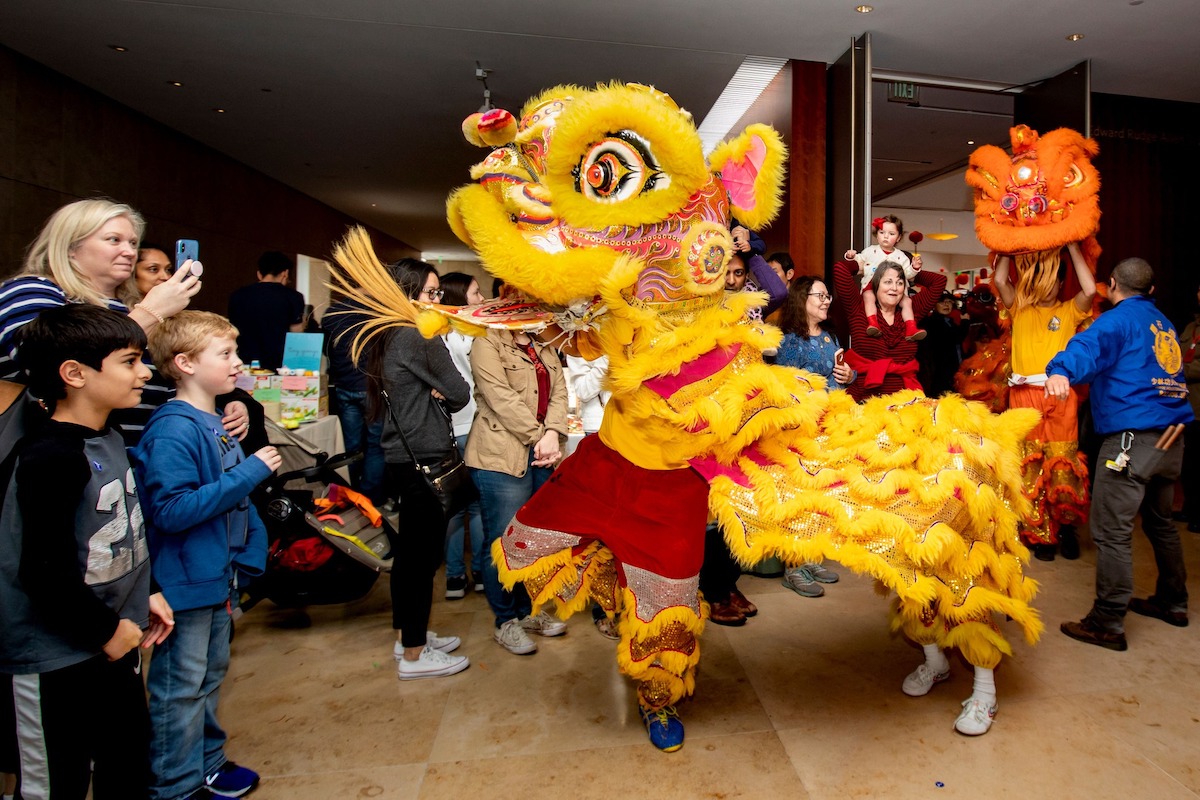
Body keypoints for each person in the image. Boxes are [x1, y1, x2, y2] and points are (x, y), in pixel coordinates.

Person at [1, 304, 174, 800]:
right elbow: (42, 572)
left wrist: (149, 593)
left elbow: (118, 535)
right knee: (57, 783)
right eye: (129, 361)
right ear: (74, 374)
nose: (144, 372)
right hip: (55, 657)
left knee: (128, 761)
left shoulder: (109, 437)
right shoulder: (49, 457)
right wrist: (108, 631)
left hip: (110, 639)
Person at [133, 311, 279, 800]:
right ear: (185, 363)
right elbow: (172, 510)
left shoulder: (214, 420)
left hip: (217, 575)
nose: (237, 364)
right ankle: (175, 785)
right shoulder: (173, 430)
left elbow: (234, 504)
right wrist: (251, 473)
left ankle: (208, 763)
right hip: (185, 582)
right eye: (226, 354)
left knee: (210, 675)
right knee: (180, 686)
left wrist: (249, 555)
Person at [0, 199, 250, 448]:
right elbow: (51, 363)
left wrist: (225, 401)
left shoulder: (127, 307)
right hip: (65, 458)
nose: (130, 252)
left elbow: (173, 377)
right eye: (113, 240)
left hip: (135, 458)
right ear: (70, 247)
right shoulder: (31, 289)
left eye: (132, 242)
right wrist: (151, 312)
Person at [1048, 258, 1193, 651]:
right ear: (1152, 288)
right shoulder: (1161, 322)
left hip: (1133, 439)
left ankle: (1107, 621)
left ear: (1111, 285)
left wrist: (1060, 370)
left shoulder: (1117, 319)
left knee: (1111, 530)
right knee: (1161, 523)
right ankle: (1173, 601)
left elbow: (1086, 346)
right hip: (1172, 437)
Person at [368, 259, 471, 679]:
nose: (437, 301)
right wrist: (439, 385)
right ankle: (414, 652)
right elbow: (460, 392)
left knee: (412, 554)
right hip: (423, 457)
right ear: (408, 295)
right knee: (421, 557)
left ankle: (409, 638)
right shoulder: (418, 337)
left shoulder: (386, 335)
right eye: (431, 293)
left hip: (400, 456)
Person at [702, 227, 789, 626]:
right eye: (729, 274)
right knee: (715, 508)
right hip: (714, 420)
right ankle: (713, 590)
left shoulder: (752, 303)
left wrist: (751, 252)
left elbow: (781, 291)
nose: (735, 281)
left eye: (740, 274)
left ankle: (728, 583)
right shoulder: (704, 307)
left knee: (745, 507)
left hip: (751, 418)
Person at [467, 325, 570, 655]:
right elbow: (499, 396)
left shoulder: (544, 343)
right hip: (500, 454)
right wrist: (539, 436)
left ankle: (527, 613)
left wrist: (553, 433)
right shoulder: (487, 342)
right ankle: (505, 620)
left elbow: (560, 393)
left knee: (533, 540)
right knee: (501, 540)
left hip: (541, 453)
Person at [993, 242, 1095, 560]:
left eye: (1052, 278)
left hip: (1060, 395)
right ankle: (1039, 534)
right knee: (1029, 465)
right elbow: (999, 281)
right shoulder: (1020, 308)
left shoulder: (1069, 310)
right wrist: (1006, 247)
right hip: (1023, 395)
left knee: (1062, 464)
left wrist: (1073, 246)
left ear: (1060, 281)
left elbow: (1090, 288)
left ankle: (1066, 529)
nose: (1045, 284)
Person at [774, 276, 854, 598]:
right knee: (798, 496)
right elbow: (786, 389)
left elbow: (842, 375)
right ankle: (793, 567)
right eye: (819, 295)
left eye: (827, 296)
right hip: (802, 431)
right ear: (801, 299)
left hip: (829, 429)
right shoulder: (791, 341)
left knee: (820, 495)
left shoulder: (830, 337)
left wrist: (850, 376)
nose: (826, 301)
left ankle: (811, 556)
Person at [832, 257, 946, 402]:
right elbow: (840, 269)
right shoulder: (858, 308)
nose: (894, 288)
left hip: (905, 400)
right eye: (888, 282)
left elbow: (939, 281)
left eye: (899, 283)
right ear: (876, 284)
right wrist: (860, 264)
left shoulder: (911, 311)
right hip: (865, 398)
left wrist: (910, 272)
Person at [438, 272, 486, 598]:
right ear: (460, 297)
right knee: (479, 506)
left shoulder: (435, 335)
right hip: (473, 424)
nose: (481, 299)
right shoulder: (472, 337)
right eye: (475, 293)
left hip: (445, 428)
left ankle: (454, 577)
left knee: (453, 506)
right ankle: (481, 572)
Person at [322, 291, 386, 503]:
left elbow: (328, 351)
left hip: (344, 386)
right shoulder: (377, 313)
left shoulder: (331, 313)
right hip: (372, 387)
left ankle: (350, 496)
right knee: (376, 445)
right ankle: (369, 498)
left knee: (351, 447)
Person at [844, 215, 926, 341]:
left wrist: (914, 267)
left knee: (908, 302)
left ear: (898, 237)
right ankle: (873, 322)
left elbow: (907, 275)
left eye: (891, 233)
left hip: (894, 290)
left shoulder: (901, 256)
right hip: (872, 286)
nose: (886, 236)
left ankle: (910, 327)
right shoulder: (870, 251)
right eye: (882, 232)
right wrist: (851, 256)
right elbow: (858, 261)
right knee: (868, 297)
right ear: (877, 234)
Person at [226, 251, 305, 370]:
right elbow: (296, 333)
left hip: (243, 362)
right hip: (280, 365)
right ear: (285, 273)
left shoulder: (237, 295)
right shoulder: (294, 297)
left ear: (259, 274)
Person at [1177, 282, 1200, 532]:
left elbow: (1178, 363)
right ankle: (1190, 508)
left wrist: (1179, 369)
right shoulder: (1191, 326)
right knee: (1189, 461)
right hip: (1188, 406)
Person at [917, 291, 969, 398]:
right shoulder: (931, 322)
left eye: (950, 302)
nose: (946, 305)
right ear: (934, 304)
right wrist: (965, 323)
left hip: (950, 373)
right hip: (938, 374)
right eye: (942, 302)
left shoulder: (949, 321)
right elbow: (954, 338)